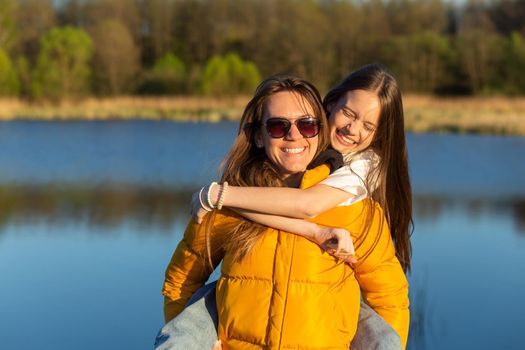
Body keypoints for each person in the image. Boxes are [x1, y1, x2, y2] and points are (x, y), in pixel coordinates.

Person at [159, 72, 409, 349]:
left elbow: (389, 298)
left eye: (307, 125)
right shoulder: (228, 204)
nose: (294, 135)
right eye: (278, 127)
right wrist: (197, 340)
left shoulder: (357, 209)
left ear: (319, 127)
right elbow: (181, 280)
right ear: (258, 136)